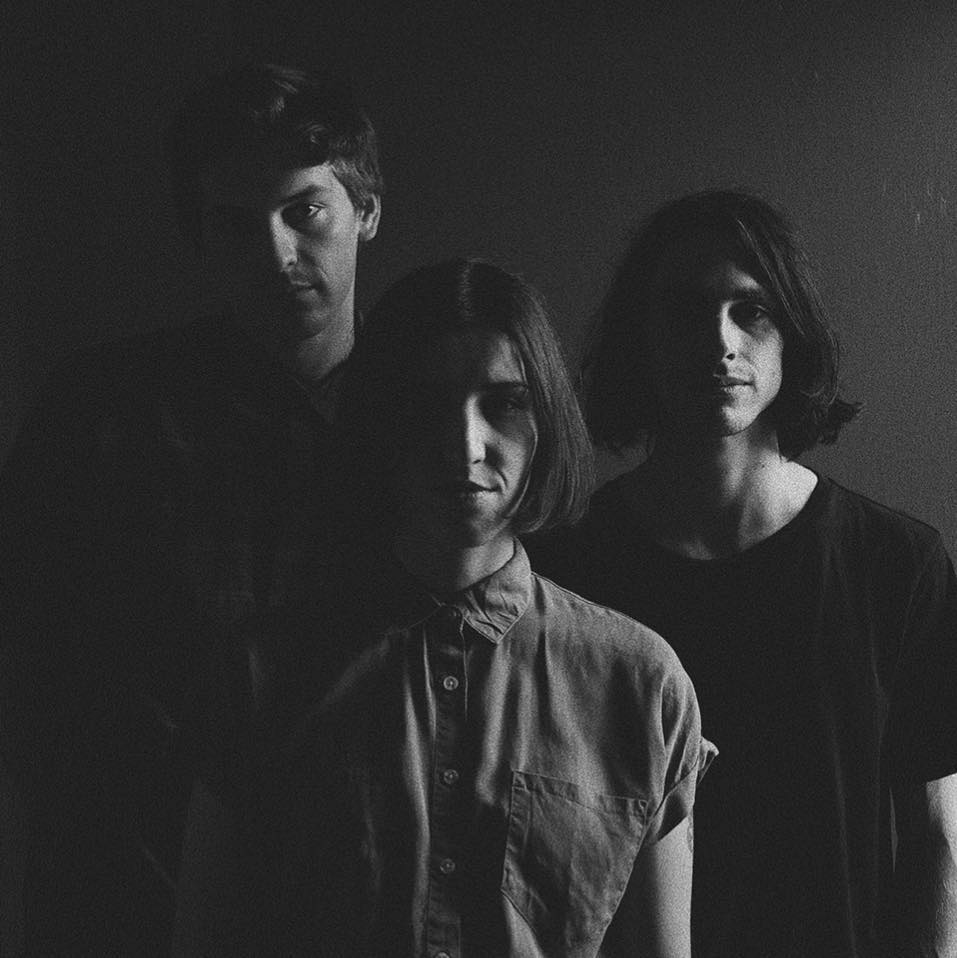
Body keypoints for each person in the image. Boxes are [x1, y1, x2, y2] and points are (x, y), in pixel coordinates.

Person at [173, 258, 716, 957]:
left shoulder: (639, 683)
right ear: (380, 423)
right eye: (425, 405)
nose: (465, 444)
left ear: (546, 420)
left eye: (505, 402)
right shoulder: (264, 672)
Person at [0, 61, 382, 954]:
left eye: (305, 211)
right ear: (198, 236)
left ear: (365, 211)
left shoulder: (428, 423)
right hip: (125, 893)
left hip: (354, 896)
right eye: (234, 223)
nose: (276, 253)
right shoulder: (103, 410)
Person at [528, 190, 957, 957]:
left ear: (792, 333)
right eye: (685, 310)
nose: (718, 340)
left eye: (750, 310)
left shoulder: (895, 564)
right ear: (640, 340)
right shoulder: (565, 570)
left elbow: (935, 834)